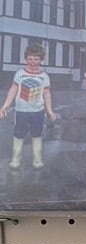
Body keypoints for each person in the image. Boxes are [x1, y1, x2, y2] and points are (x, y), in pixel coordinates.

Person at [0, 43, 57, 171]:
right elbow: (13, 90)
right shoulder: (20, 74)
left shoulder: (44, 77)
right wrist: (5, 106)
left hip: (38, 111)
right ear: (26, 59)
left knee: (37, 134)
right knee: (18, 134)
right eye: (30, 59)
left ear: (41, 60)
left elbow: (47, 94)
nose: (33, 62)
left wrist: (49, 110)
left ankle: (37, 160)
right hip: (21, 111)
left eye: (36, 59)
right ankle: (16, 159)